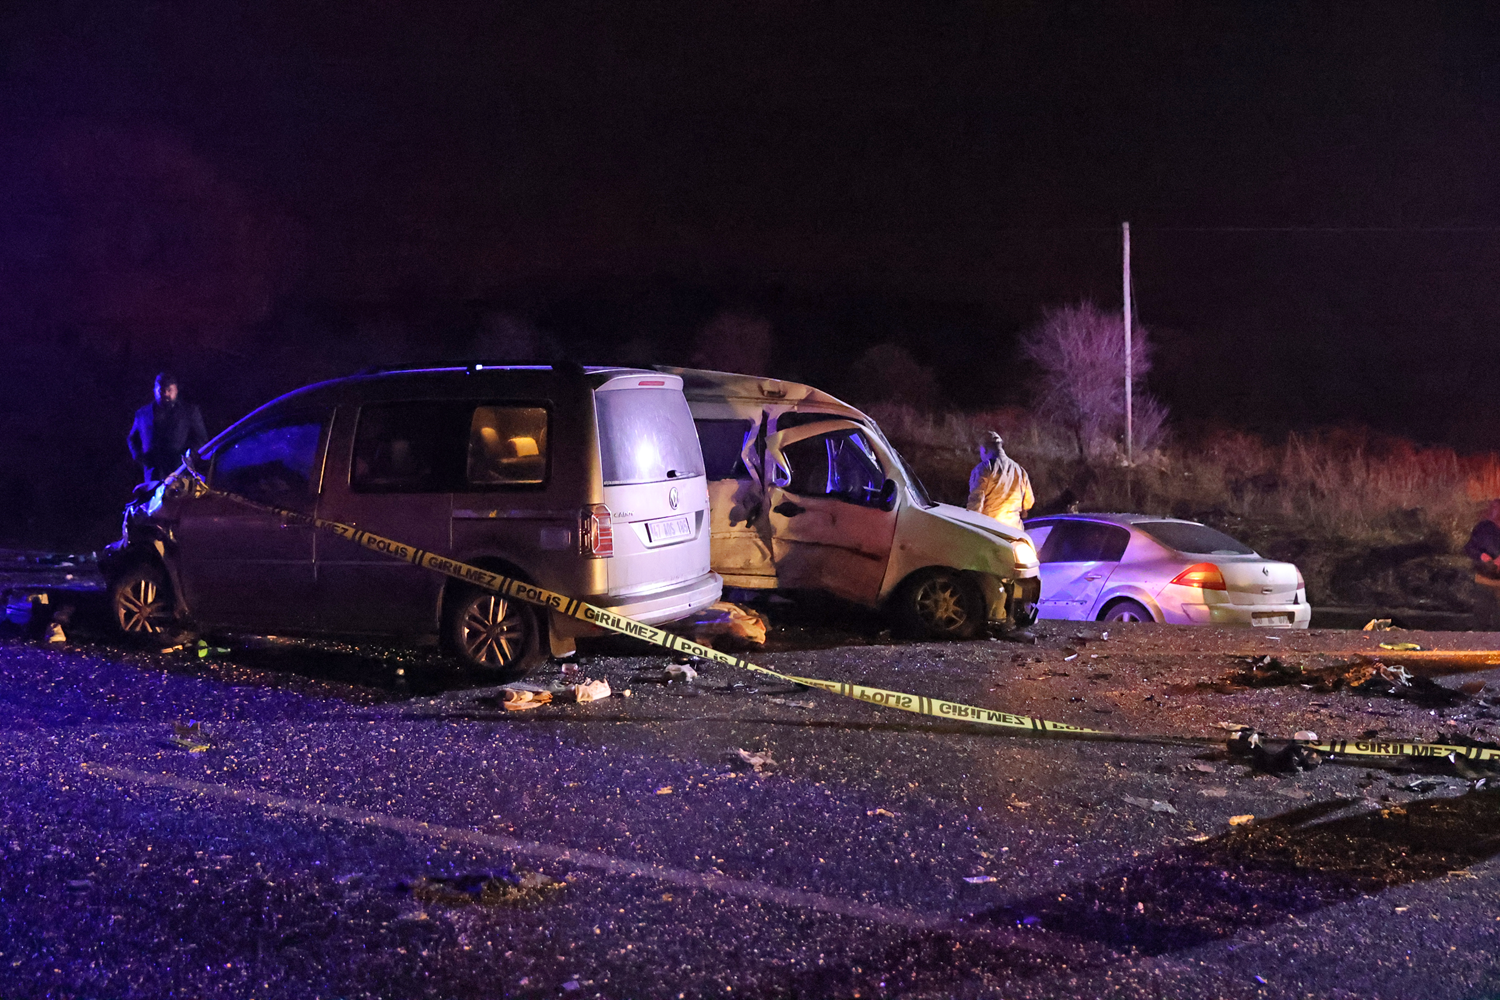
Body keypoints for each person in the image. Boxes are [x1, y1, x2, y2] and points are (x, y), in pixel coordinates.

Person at [127, 372, 209, 484]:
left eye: (169, 390)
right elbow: (132, 438)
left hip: (179, 470)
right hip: (153, 472)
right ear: (155, 390)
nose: (165, 393)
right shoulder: (143, 413)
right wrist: (140, 458)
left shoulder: (189, 411)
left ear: (176, 390)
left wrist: (189, 457)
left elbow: (201, 439)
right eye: (161, 390)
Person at [966, 431, 1033, 532]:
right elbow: (1028, 503)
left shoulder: (984, 468)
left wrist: (970, 528)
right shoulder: (1020, 470)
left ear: (984, 449)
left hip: (991, 531)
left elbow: (975, 503)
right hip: (1015, 532)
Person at [1463, 499, 1500, 631]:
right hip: (1484, 580)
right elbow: (1469, 547)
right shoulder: (1483, 528)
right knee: (1481, 616)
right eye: (1494, 508)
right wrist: (1483, 557)